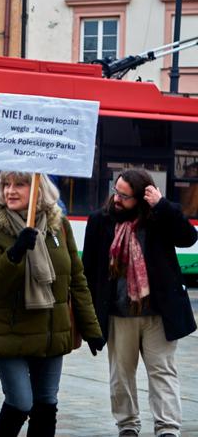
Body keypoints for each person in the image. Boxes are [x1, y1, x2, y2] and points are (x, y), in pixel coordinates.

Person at [0, 172, 104, 436]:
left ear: (39, 189)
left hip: (50, 332)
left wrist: (92, 329)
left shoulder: (60, 226)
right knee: (21, 402)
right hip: (9, 333)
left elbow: (76, 279)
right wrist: (15, 252)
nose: (10, 191)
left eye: (19, 184)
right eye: (6, 185)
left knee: (46, 404)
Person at [82, 169, 197, 437]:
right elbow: (89, 269)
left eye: (124, 195)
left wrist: (163, 205)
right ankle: (128, 426)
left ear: (142, 198)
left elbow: (189, 238)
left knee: (163, 372)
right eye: (116, 191)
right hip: (118, 314)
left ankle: (167, 428)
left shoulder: (158, 216)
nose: (117, 198)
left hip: (158, 314)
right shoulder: (100, 221)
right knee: (120, 376)